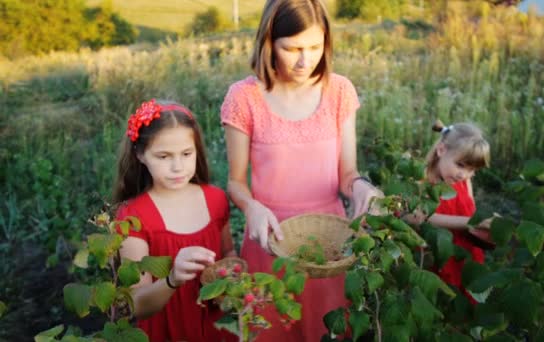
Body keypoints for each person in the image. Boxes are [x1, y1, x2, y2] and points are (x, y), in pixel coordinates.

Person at [220, 0, 383, 340]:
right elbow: (236, 182)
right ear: (269, 43)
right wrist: (252, 207)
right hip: (272, 239)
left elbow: (347, 174)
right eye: (291, 48)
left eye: (314, 46)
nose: (304, 60)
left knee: (324, 329)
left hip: (329, 244)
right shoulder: (244, 97)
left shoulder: (339, 91)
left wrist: (363, 187)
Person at [113, 99, 237, 342]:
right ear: (140, 154)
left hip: (216, 326)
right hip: (169, 329)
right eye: (163, 156)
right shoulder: (133, 217)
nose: (177, 166)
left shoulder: (215, 199)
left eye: (186, 154)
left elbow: (228, 251)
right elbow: (136, 304)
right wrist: (172, 279)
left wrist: (231, 278)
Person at [406, 120, 491, 303]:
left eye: (472, 170)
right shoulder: (422, 181)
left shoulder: (463, 181)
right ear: (441, 150)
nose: (464, 174)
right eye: (460, 165)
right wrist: (469, 223)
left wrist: (484, 226)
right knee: (441, 300)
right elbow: (417, 217)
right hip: (438, 254)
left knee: (465, 301)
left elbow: (471, 211)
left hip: (466, 251)